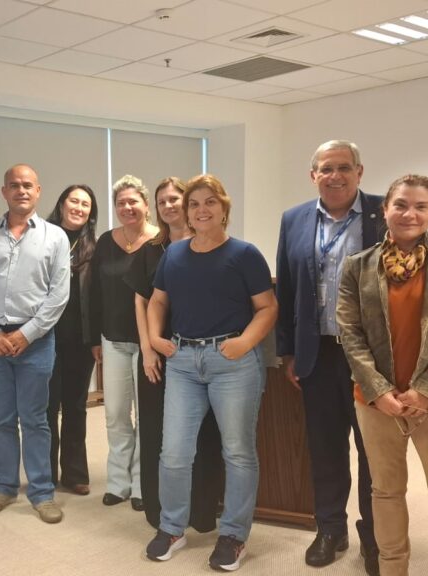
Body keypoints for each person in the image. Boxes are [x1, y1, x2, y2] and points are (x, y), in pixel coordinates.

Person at [337, 174, 428, 576]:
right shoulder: (357, 266)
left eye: (421, 206)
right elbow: (350, 334)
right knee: (385, 493)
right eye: (400, 204)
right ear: (385, 209)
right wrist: (379, 390)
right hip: (375, 400)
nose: (409, 213)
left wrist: (425, 391)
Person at [145, 174, 277, 572]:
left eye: (210, 203)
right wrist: (155, 337)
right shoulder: (174, 254)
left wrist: (245, 343)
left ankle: (234, 536)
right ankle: (172, 527)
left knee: (236, 452)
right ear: (185, 213)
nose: (201, 210)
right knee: (174, 453)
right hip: (184, 361)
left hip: (232, 361)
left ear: (224, 208)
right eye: (194, 204)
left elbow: (268, 307)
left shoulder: (244, 253)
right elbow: (157, 301)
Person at [275, 140, 382, 574]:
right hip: (316, 351)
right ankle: (330, 529)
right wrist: (287, 351)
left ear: (359, 171)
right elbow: (286, 287)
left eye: (343, 167)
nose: (334, 176)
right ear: (313, 175)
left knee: (373, 450)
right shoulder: (295, 219)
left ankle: (375, 537)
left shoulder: (383, 212)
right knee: (325, 448)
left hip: (371, 357)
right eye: (325, 169)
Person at [0, 164, 70, 524]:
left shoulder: (55, 236)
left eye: (28, 185)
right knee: (2, 419)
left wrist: (27, 334)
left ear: (38, 192)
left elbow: (59, 295)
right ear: (4, 192)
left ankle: (41, 492)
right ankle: (4, 487)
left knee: (36, 419)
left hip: (36, 342)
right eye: (14, 185)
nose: (21, 190)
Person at [126, 177, 223, 531]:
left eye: (175, 199)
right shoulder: (151, 249)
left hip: (201, 352)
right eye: (162, 200)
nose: (169, 205)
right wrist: (148, 349)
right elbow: (140, 301)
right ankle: (160, 509)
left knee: (203, 431)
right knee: (157, 433)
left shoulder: (212, 243)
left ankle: (201, 510)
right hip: (157, 353)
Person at [90, 174, 158, 511]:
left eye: (133, 201)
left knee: (147, 415)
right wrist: (94, 339)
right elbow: (93, 293)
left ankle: (143, 484)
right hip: (113, 340)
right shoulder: (105, 241)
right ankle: (118, 482)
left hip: (150, 345)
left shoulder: (161, 241)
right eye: (121, 203)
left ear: (146, 205)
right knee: (116, 413)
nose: (127, 207)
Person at [45, 184, 99, 495]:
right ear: (62, 203)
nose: (79, 207)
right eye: (74, 201)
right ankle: (46, 473)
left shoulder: (95, 245)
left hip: (80, 338)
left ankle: (75, 473)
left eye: (85, 204)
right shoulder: (41, 235)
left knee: (76, 405)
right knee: (47, 407)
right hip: (45, 336)